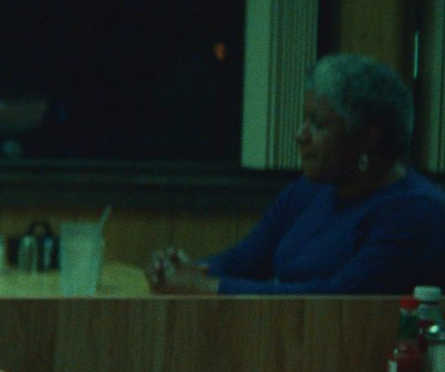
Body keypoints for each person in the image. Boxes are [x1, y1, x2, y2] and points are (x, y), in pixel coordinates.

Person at [148, 53, 445, 294]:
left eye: (318, 124)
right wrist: (181, 271)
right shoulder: (310, 190)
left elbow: (339, 299)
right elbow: (243, 261)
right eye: (305, 120)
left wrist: (207, 286)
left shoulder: (415, 212)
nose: (300, 135)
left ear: (367, 138)